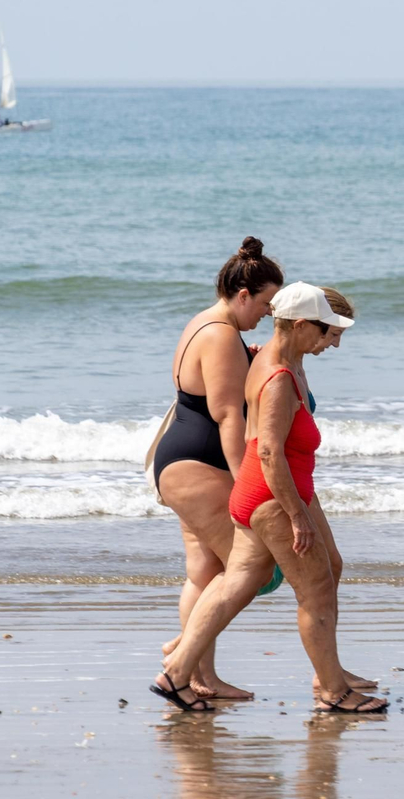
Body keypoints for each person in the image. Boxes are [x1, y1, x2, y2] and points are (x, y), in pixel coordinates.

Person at [151, 282, 385, 713]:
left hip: (269, 491)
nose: (331, 343)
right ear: (298, 325)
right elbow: (266, 450)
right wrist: (297, 516)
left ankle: (176, 672)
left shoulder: (276, 360)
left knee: (236, 584)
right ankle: (333, 690)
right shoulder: (277, 376)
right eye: (326, 332)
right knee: (314, 589)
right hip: (273, 494)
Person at [150, 237, 283, 699]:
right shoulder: (222, 334)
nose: (267, 313)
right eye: (265, 304)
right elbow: (229, 416)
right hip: (199, 464)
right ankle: (185, 662)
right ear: (243, 295)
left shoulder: (202, 324)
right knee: (251, 565)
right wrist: (249, 477)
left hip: (180, 460)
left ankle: (199, 675)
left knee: (205, 572)